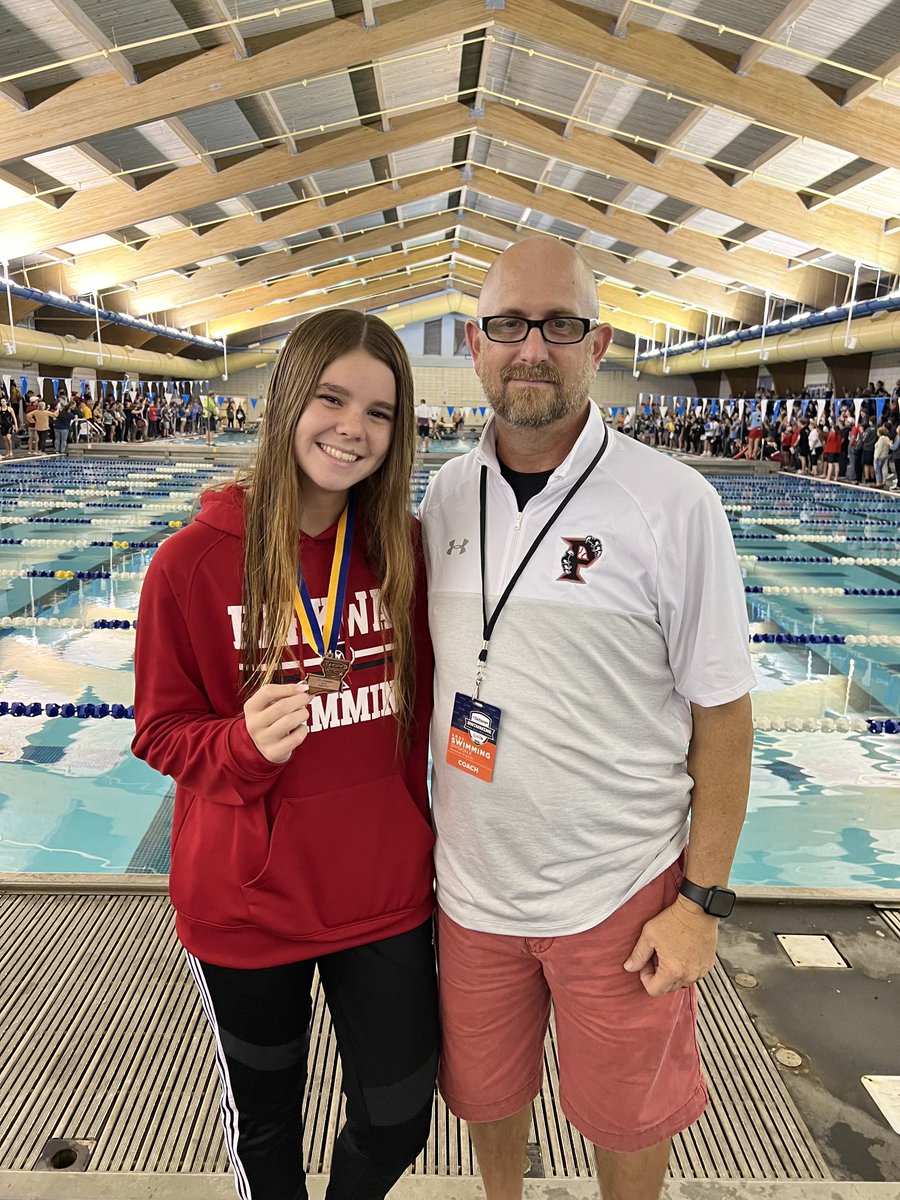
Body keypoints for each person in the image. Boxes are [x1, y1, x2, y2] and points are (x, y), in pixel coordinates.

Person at [419, 237, 755, 1200]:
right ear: (475, 345)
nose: (533, 349)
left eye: (559, 325)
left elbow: (725, 717)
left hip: (621, 893)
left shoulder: (672, 502)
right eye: (509, 327)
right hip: (471, 887)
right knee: (486, 1098)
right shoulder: (446, 493)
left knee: (626, 1117)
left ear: (597, 342)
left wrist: (703, 903)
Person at [131, 309, 438, 1200]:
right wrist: (239, 744)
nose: (353, 428)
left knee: (398, 1119)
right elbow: (157, 730)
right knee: (267, 1130)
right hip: (248, 905)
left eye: (380, 412)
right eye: (331, 398)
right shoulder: (189, 565)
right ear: (283, 401)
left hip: (383, 895)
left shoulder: (405, 555)